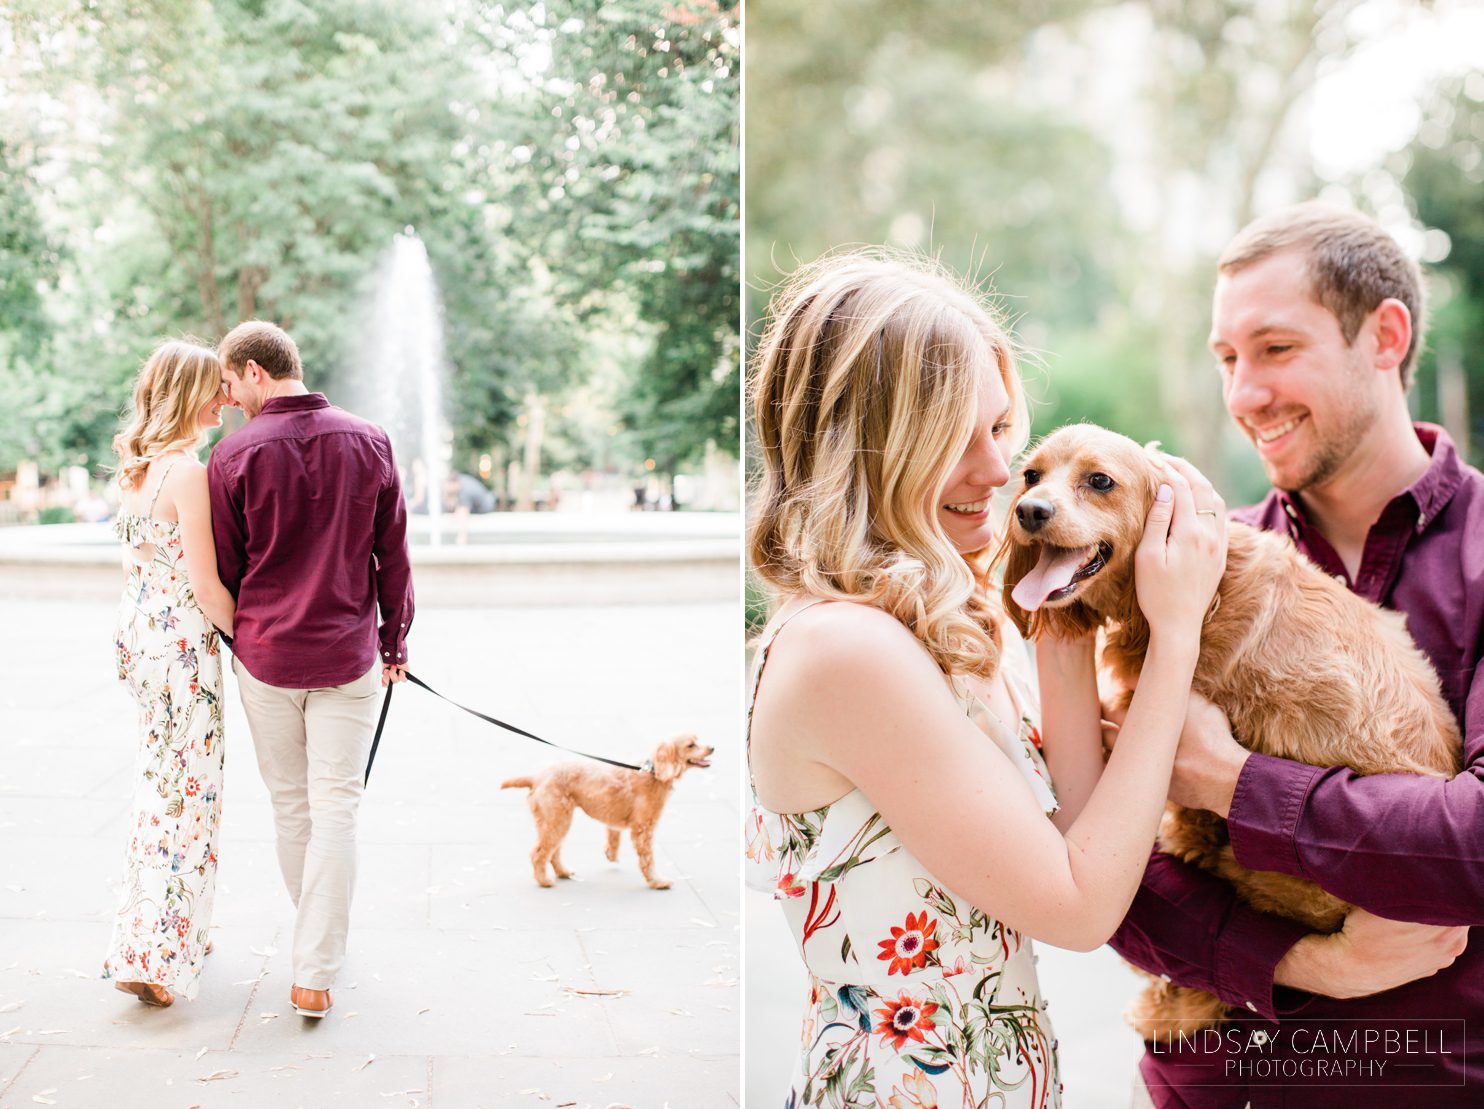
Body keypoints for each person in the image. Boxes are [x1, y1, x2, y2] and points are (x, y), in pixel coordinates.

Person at [744, 251, 1228, 1108]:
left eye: (1001, 428)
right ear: (860, 444)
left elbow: (1089, 837)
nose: (1000, 473)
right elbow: (1082, 909)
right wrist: (1178, 632)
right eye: (951, 437)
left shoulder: (947, 624)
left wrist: (1066, 607)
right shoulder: (846, 651)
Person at [1109, 203, 1481, 1107]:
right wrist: (1308, 961)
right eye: (1227, 359)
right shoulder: (1191, 565)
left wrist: (1233, 781)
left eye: (1275, 349)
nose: (1243, 395)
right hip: (1214, 1086)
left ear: (1384, 336)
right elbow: (1108, 861)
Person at [209, 320, 414, 1020]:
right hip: (347, 654)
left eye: (230, 381)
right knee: (337, 805)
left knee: (293, 805)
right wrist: (396, 642)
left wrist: (243, 638)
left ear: (256, 372)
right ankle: (316, 965)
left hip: (265, 656)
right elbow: (394, 554)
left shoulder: (231, 454)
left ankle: (316, 948)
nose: (229, 396)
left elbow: (227, 569)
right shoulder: (371, 439)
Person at [105, 339, 237, 1007]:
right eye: (216, 387)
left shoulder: (136, 470)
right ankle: (156, 954)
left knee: (158, 792)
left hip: (141, 647)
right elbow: (208, 588)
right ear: (192, 393)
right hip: (184, 654)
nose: (226, 399)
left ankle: (163, 933)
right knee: (191, 798)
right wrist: (258, 642)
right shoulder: (187, 472)